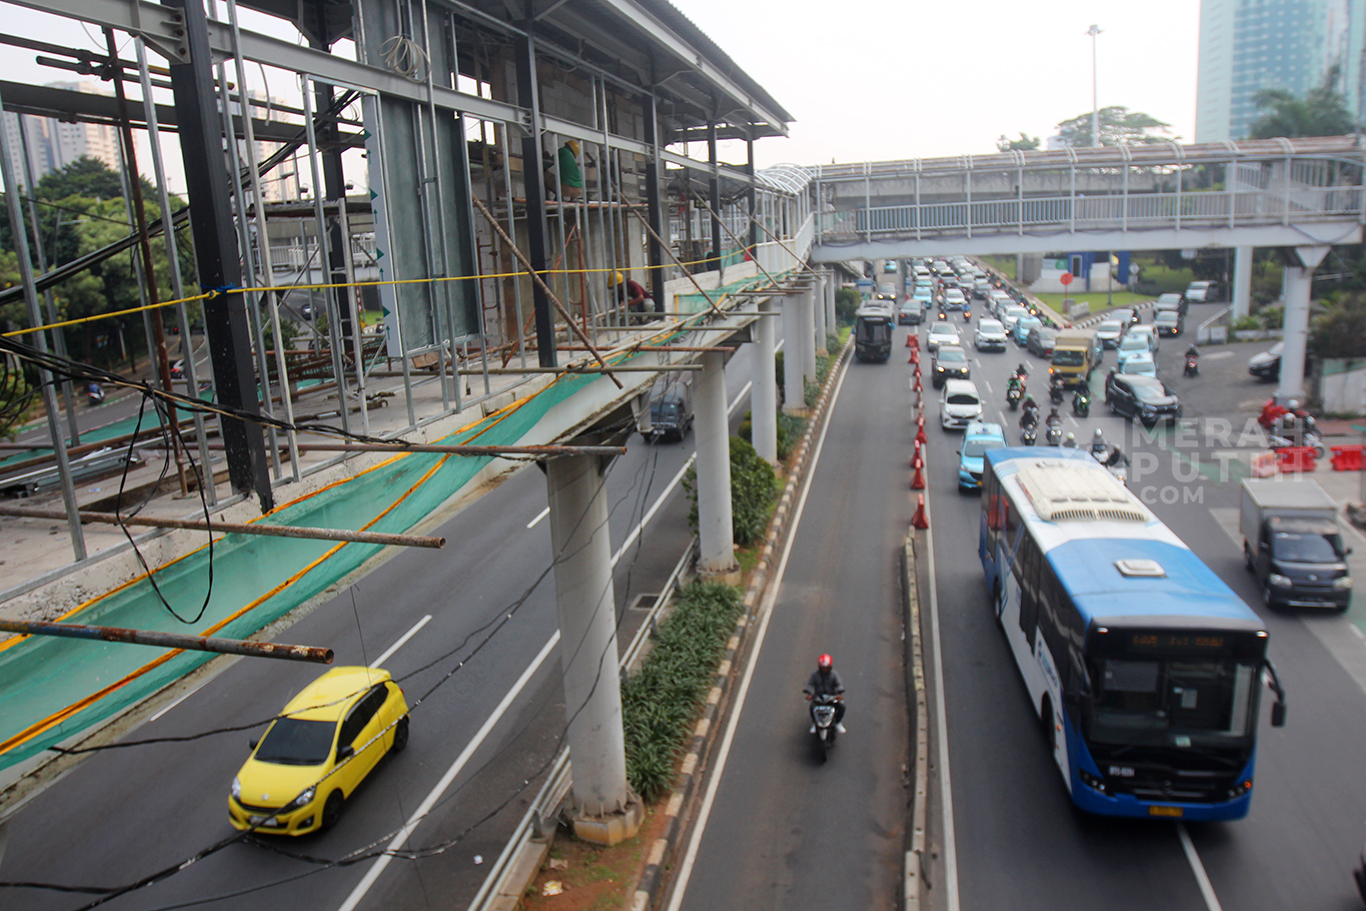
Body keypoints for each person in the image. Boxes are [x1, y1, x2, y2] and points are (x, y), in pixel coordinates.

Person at [804, 653, 846, 733]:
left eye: (826, 668)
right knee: (812, 707)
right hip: (818, 697)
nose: (825, 670)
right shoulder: (815, 675)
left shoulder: (834, 674)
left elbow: (839, 684)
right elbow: (810, 684)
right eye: (823, 668)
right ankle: (814, 723)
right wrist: (809, 693)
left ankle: (838, 722)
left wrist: (839, 693)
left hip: (831, 697)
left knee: (842, 707)